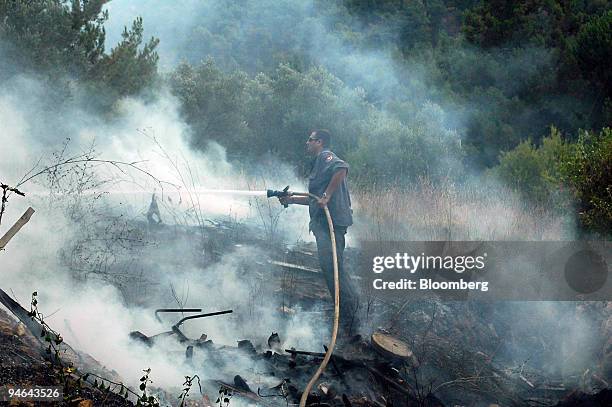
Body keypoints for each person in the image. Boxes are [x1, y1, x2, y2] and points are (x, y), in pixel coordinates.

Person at [278, 129, 359, 334]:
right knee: (329, 266)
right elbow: (315, 199)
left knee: (334, 267)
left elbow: (342, 168)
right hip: (323, 225)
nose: (307, 143)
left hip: (333, 224)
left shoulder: (326, 157)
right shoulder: (318, 164)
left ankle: (349, 316)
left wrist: (327, 194)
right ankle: (346, 312)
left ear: (320, 142)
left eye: (310, 140)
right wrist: (291, 200)